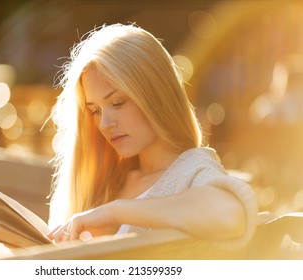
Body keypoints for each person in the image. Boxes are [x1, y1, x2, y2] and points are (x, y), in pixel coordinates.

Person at [47, 23, 258, 250]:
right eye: (95, 110)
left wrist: (116, 212)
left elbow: (229, 214)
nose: (105, 124)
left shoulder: (191, 169)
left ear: (154, 94)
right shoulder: (108, 178)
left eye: (117, 103)